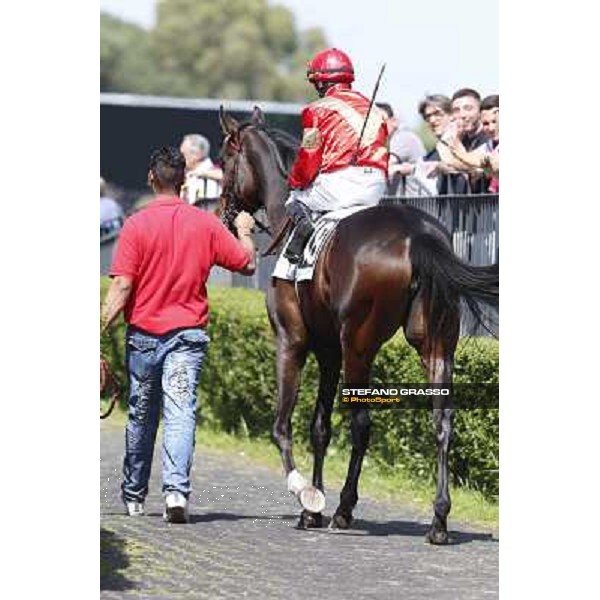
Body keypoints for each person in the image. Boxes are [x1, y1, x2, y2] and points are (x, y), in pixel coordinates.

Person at [100, 146, 256, 523]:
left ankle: (135, 497)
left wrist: (99, 327)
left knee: (141, 415)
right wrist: (245, 231)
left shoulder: (136, 225)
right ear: (183, 181)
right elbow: (248, 263)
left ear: (151, 179)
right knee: (180, 412)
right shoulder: (204, 224)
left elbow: (122, 286)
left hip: (144, 336)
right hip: (187, 336)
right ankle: (175, 495)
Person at [283, 48, 390, 263]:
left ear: (322, 82)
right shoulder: (376, 110)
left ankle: (295, 257)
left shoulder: (316, 109)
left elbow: (309, 156)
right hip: (377, 186)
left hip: (339, 186)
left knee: (293, 201)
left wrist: (295, 182)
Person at [179, 134, 223, 204]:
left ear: (197, 155)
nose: (180, 158)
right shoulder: (185, 175)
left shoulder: (216, 178)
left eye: (183, 154)